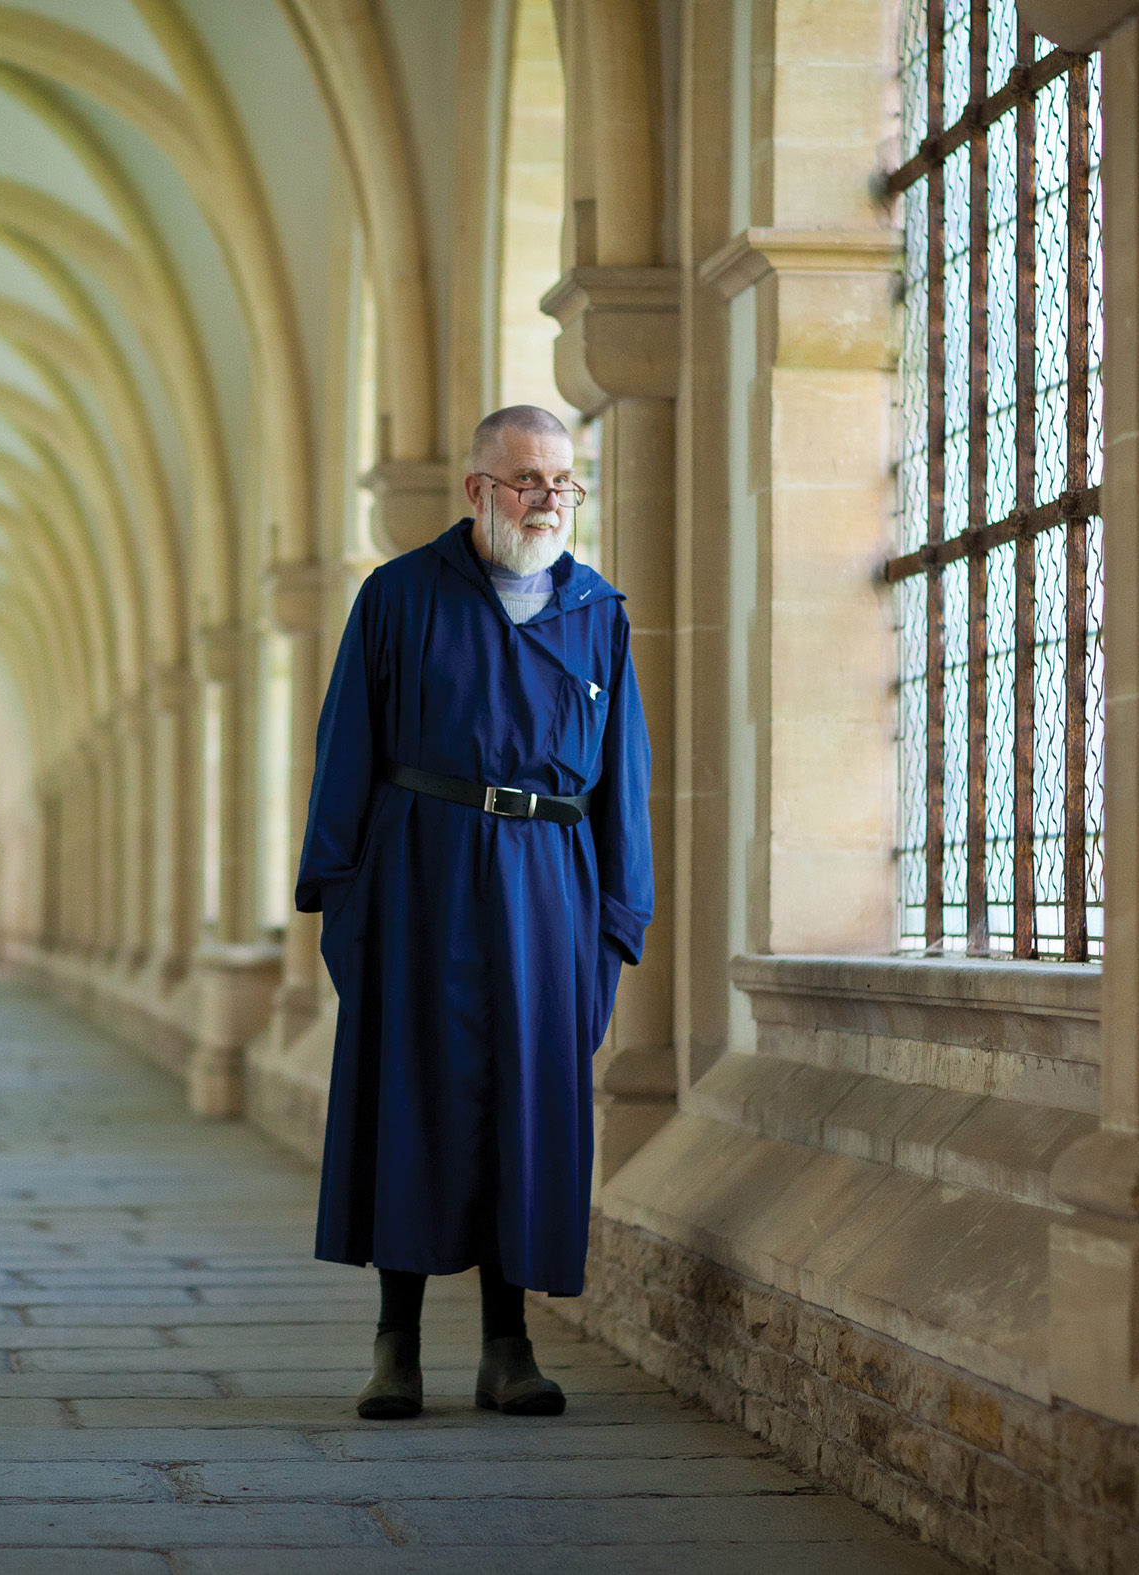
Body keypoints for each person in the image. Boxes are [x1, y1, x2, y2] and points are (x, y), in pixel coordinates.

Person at [295, 405, 652, 1420]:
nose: (547, 497)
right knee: (414, 1098)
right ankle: (395, 1345)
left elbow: (624, 776)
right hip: (421, 879)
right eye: (526, 479)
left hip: (549, 886)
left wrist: (617, 915)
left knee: (525, 1106)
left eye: (562, 481)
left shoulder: (598, 613)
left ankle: (509, 1346)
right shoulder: (399, 597)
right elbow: (345, 752)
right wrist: (343, 892)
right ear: (476, 490)